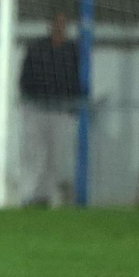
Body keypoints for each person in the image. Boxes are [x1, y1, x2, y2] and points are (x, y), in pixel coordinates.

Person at [18, 13, 83, 206]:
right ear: (51, 24)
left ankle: (44, 196)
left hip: (61, 110)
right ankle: (28, 195)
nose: (60, 26)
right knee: (34, 154)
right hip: (37, 108)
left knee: (56, 156)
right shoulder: (38, 48)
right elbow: (26, 76)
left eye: (64, 22)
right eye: (58, 22)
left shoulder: (72, 50)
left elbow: (75, 78)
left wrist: (73, 103)